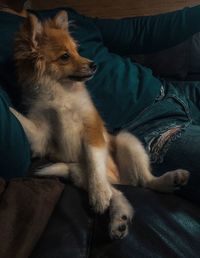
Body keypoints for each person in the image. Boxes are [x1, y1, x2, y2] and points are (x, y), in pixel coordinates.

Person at [0, 0, 200, 203]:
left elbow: (137, 33)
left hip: (174, 91)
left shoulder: (60, 19)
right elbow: (19, 147)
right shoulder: (11, 38)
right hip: (147, 127)